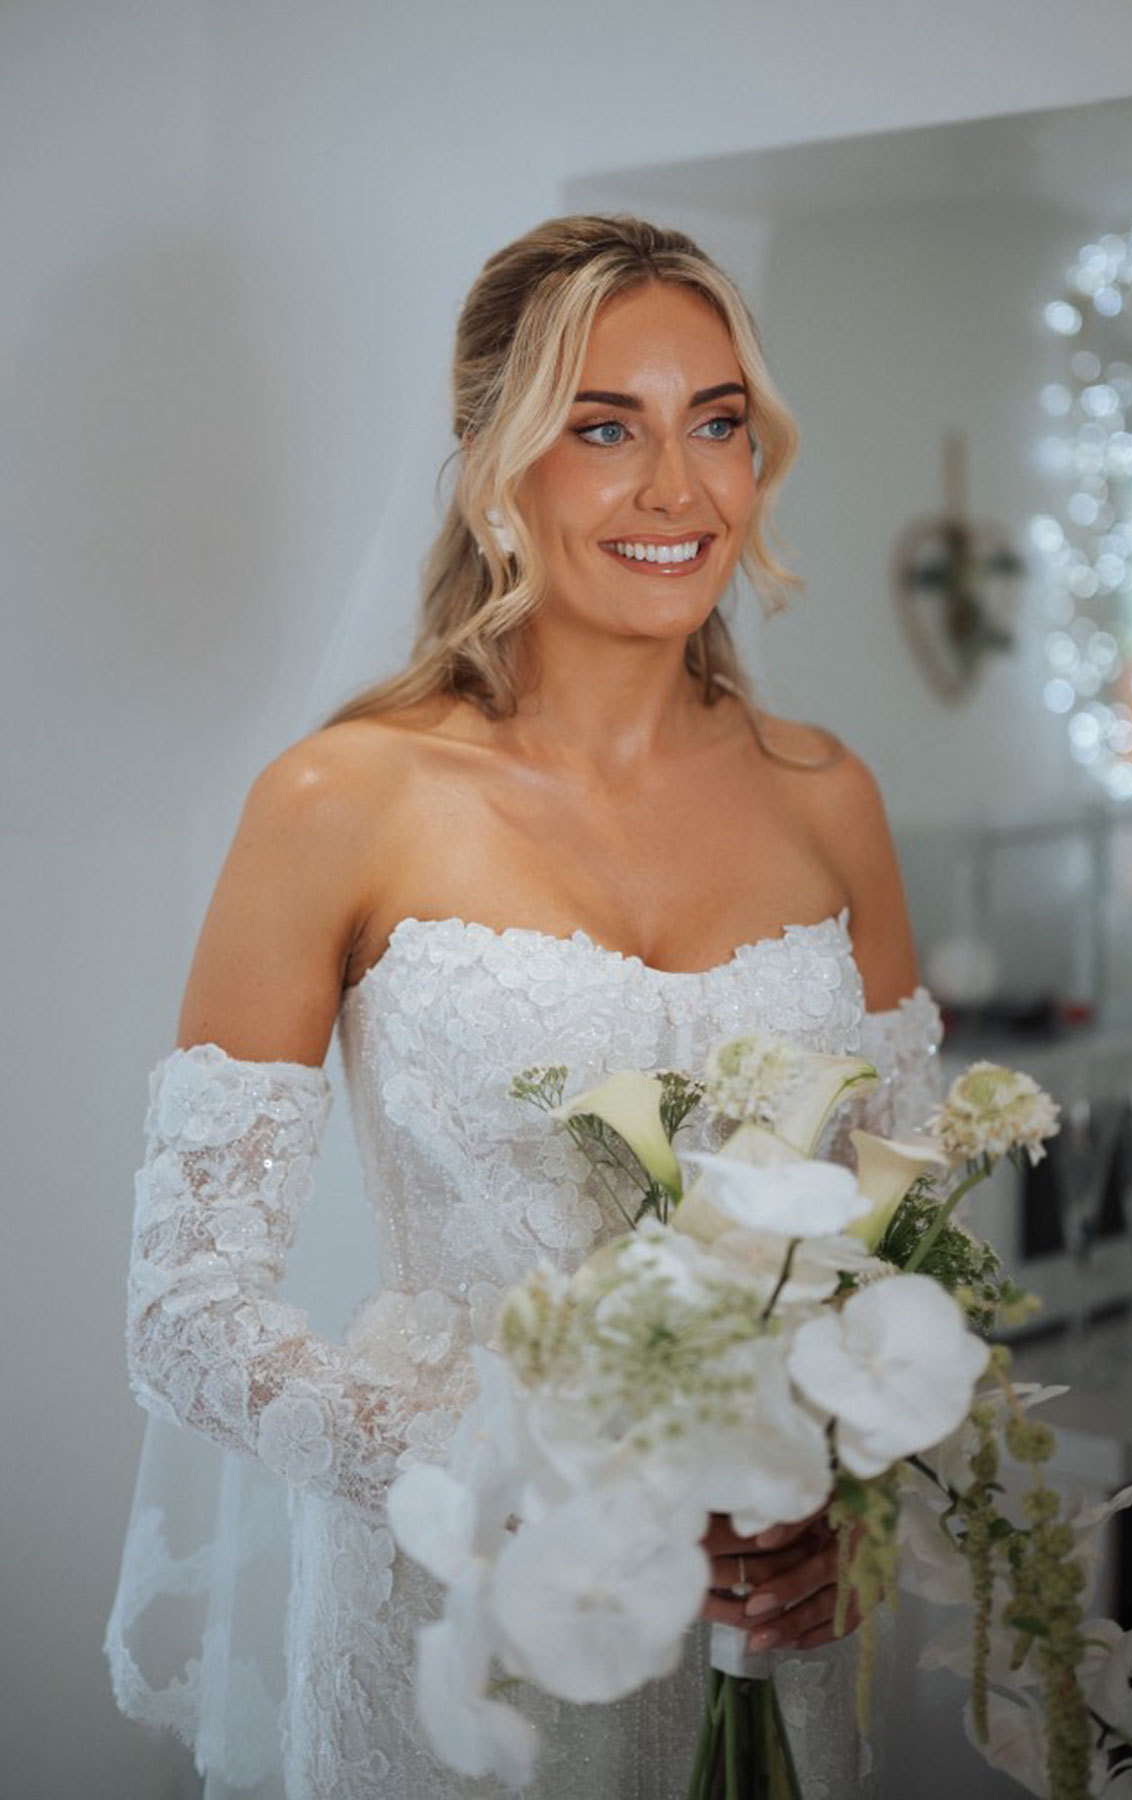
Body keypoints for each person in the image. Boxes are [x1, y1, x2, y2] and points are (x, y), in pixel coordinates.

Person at [107, 214, 942, 1798]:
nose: (676, 491)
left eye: (715, 424)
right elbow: (186, 1319)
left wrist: (848, 1493)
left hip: (767, 1632)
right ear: (495, 460)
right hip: (462, 1630)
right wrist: (523, 1476)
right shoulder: (341, 800)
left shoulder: (830, 799)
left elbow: (901, 1230)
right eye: (602, 427)